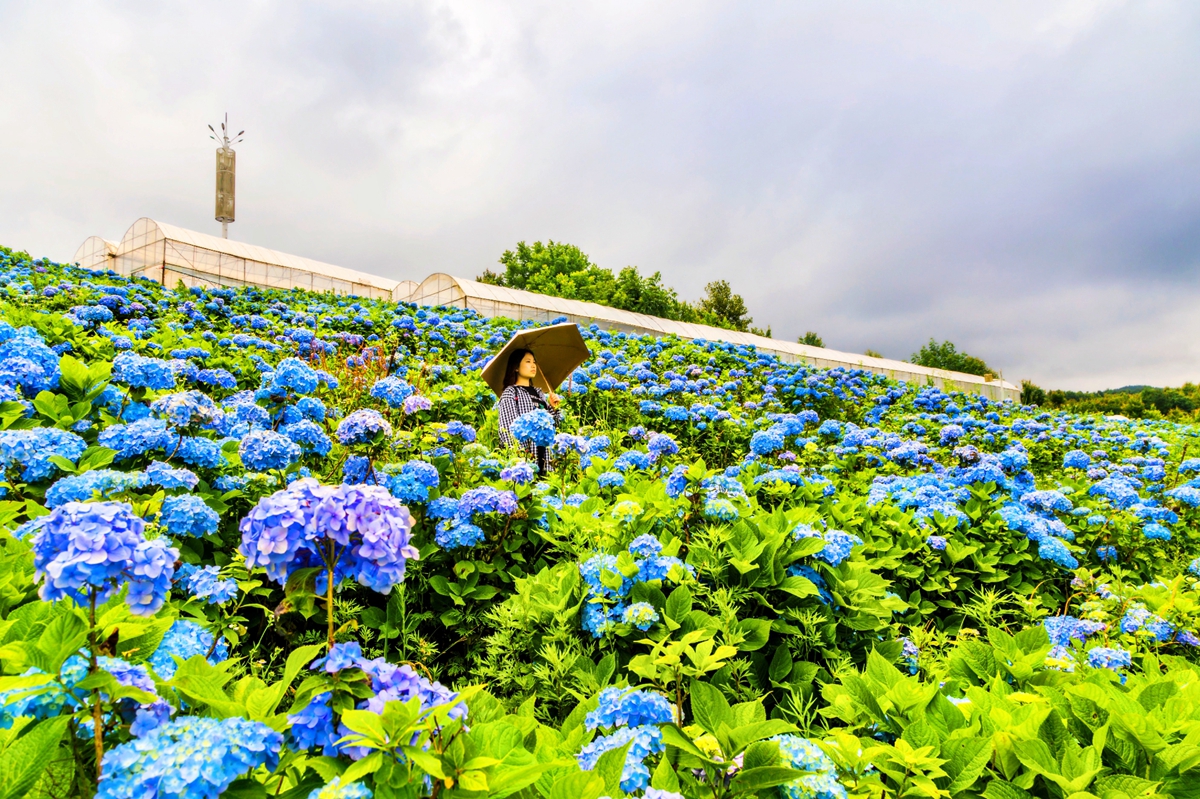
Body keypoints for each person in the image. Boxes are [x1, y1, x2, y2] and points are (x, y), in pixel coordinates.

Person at [497, 348, 562, 473]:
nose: (533, 365)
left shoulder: (540, 393)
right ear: (516, 367)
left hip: (547, 461)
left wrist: (554, 407)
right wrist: (521, 459)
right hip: (526, 462)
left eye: (534, 362)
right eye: (528, 361)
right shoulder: (510, 392)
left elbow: (556, 427)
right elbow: (508, 429)